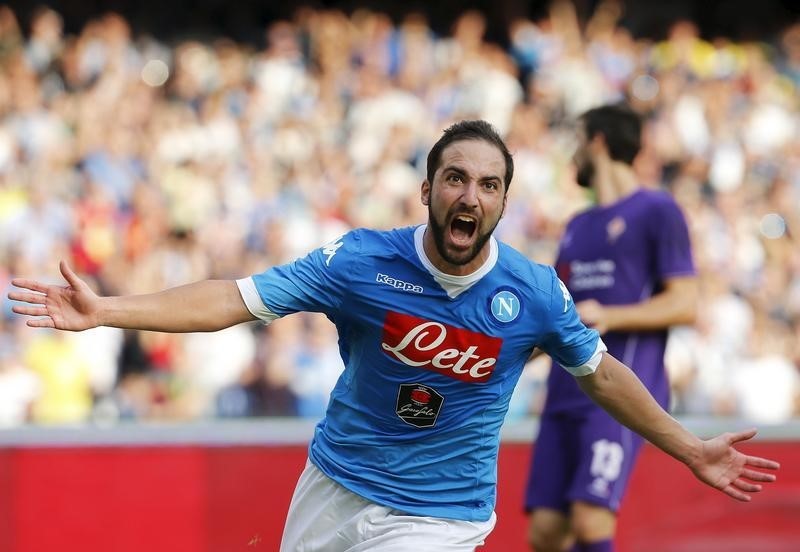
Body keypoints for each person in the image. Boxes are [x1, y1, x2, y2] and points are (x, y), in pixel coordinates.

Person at [9, 120, 778, 552]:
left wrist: (689, 447)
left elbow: (602, 373)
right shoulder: (359, 261)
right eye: (455, 178)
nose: (468, 195)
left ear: (504, 202)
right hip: (335, 485)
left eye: (487, 184)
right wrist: (109, 309)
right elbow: (235, 300)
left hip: (438, 517)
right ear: (428, 190)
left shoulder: (534, 293)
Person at [524, 103, 700, 552]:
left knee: (590, 519)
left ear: (598, 141)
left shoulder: (658, 209)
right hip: (565, 390)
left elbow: (685, 302)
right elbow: (559, 313)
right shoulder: (577, 225)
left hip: (621, 390)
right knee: (544, 531)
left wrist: (610, 315)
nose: (574, 153)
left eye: (579, 141)